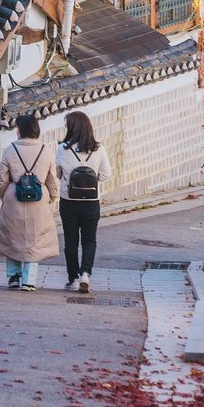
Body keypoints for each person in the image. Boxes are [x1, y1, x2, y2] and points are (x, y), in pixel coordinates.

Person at [0, 112, 59, 291]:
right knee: (34, 239)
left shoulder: (10, 149)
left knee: (13, 237)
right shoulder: (46, 151)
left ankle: (13, 277)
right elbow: (52, 178)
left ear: (20, 130)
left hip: (14, 196)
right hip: (39, 199)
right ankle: (29, 280)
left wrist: (2, 195)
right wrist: (52, 197)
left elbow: (2, 179)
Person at [56, 110, 112, 293]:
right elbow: (105, 175)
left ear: (71, 128)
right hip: (91, 202)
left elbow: (57, 174)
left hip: (68, 201)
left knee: (70, 241)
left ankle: (72, 278)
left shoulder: (62, 148)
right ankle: (85, 274)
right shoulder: (98, 149)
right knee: (89, 240)